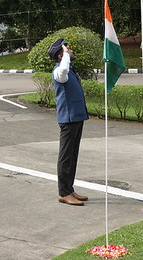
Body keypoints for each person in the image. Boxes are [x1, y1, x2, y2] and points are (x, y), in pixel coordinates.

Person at [49, 38, 89, 206]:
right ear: (60, 55)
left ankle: (69, 189)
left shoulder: (68, 70)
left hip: (76, 117)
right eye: (67, 49)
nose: (71, 51)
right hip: (68, 119)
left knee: (73, 156)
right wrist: (65, 53)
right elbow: (63, 70)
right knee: (66, 157)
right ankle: (64, 193)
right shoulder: (60, 71)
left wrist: (65, 53)